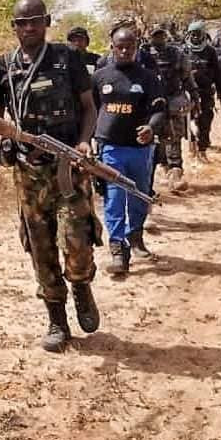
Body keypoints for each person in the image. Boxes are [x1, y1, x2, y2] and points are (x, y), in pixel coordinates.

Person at [0, 0, 101, 353]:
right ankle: (57, 320)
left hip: (68, 167)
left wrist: (83, 143)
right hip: (28, 171)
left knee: (77, 240)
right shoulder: (3, 66)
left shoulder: (69, 58)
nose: (28, 28)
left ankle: (80, 284)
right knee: (40, 246)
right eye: (21, 23)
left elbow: (89, 108)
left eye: (35, 21)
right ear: (13, 27)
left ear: (46, 22)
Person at [91, 27, 166, 272]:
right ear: (112, 47)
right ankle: (117, 250)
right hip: (110, 149)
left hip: (139, 150)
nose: (124, 51)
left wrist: (151, 128)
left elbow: (159, 110)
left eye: (129, 47)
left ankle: (136, 239)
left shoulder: (147, 77)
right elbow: (89, 111)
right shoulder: (100, 77)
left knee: (138, 195)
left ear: (136, 48)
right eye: (119, 46)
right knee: (114, 198)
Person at [146, 24, 199, 192]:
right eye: (156, 36)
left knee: (174, 137)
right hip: (151, 104)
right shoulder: (143, 54)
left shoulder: (177, 54)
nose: (159, 39)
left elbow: (187, 77)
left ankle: (175, 173)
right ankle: (164, 170)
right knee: (155, 139)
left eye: (161, 36)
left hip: (173, 101)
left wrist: (195, 96)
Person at [185, 20, 221, 161]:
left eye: (198, 33)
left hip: (205, 91)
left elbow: (217, 73)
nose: (196, 36)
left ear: (204, 34)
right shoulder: (183, 50)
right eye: (193, 33)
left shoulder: (210, 51)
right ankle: (192, 143)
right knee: (185, 121)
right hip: (187, 93)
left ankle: (202, 149)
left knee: (205, 120)